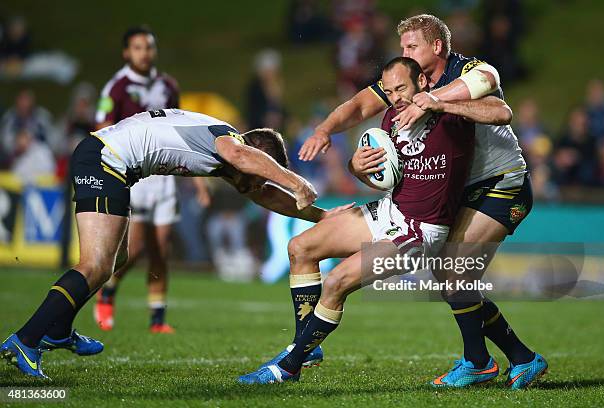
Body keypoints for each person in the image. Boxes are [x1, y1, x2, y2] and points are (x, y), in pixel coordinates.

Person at [0, 108, 353, 379]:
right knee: (95, 264)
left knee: (113, 259)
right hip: (105, 161)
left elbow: (262, 195)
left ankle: (58, 330)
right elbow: (247, 162)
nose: (258, 185)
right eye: (261, 176)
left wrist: (323, 217)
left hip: (108, 160)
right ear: (253, 155)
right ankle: (26, 340)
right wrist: (297, 182)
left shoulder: (224, 153)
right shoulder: (229, 143)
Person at [296, 14, 546, 389]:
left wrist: (434, 102)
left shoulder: (467, 70)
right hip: (463, 188)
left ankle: (480, 362)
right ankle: (518, 358)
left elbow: (492, 91)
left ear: (438, 47)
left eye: (411, 46)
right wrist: (325, 130)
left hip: (502, 183)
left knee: (453, 270)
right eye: (402, 48)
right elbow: (360, 105)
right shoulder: (408, 80)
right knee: (451, 274)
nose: (404, 53)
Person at [238, 57, 512, 385]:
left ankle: (288, 366)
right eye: (389, 90)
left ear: (422, 84)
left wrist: (441, 104)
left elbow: (501, 112)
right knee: (300, 247)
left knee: (337, 282)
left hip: (419, 232)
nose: (395, 97)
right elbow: (385, 178)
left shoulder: (451, 117)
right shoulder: (392, 120)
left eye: (401, 89)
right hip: (388, 211)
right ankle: (308, 347)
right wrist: (357, 168)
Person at [93, 26, 198, 333]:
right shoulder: (117, 87)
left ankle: (157, 320)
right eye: (138, 48)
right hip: (136, 176)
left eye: (149, 47)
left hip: (164, 177)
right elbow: (102, 126)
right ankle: (107, 291)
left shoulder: (167, 85)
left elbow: (183, 129)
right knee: (134, 249)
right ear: (127, 52)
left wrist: (199, 179)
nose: (144, 53)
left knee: (161, 251)